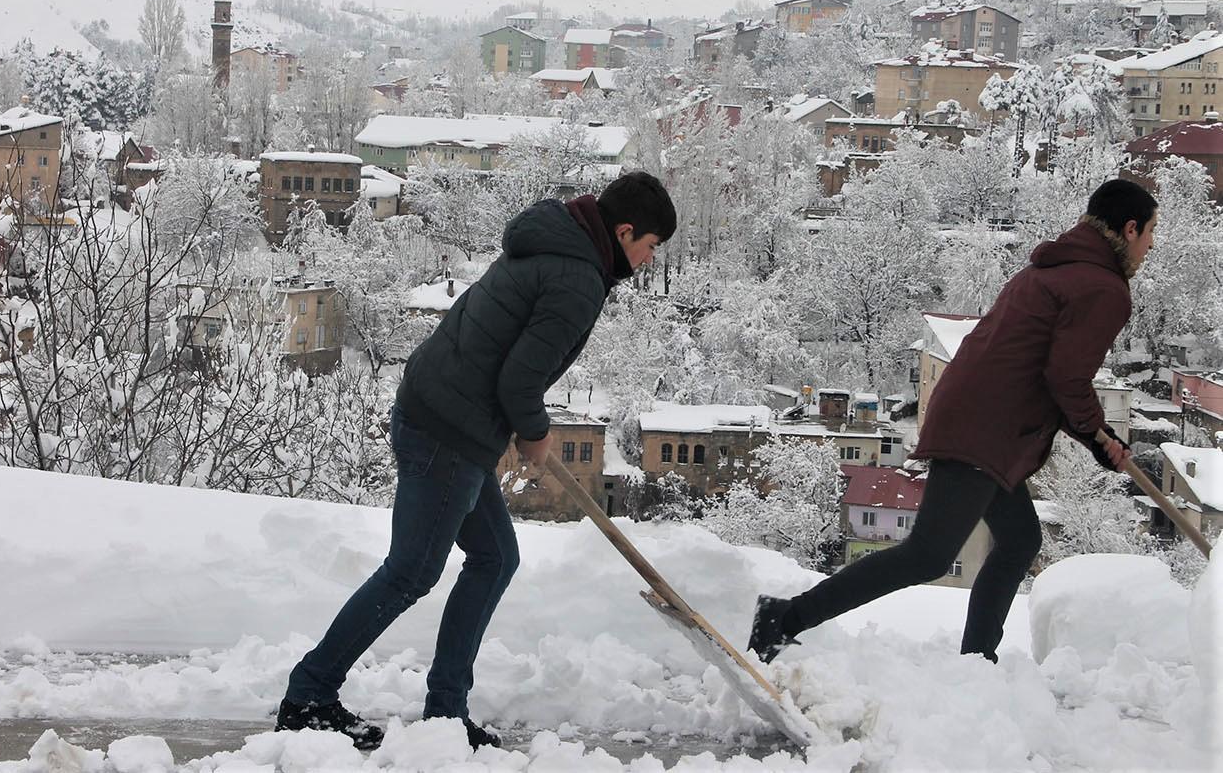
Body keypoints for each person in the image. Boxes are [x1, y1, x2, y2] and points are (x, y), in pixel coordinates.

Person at [276, 171, 677, 749]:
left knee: (494, 556)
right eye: (650, 246)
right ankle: (309, 693)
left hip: (443, 410)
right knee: (411, 572)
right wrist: (536, 432)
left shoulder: (557, 240)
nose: (648, 260)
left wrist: (517, 423)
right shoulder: (577, 278)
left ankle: (444, 708)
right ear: (623, 231)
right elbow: (520, 381)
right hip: (448, 428)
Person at [749, 178, 1157, 666]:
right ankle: (785, 618)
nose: (1152, 246)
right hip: (987, 431)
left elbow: (1042, 372)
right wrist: (1097, 435)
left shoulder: (1053, 269)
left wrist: (1098, 436)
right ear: (1129, 229)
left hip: (980, 420)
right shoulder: (1104, 288)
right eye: (1151, 232)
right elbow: (1065, 378)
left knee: (1020, 539)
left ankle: (976, 661)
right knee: (928, 555)